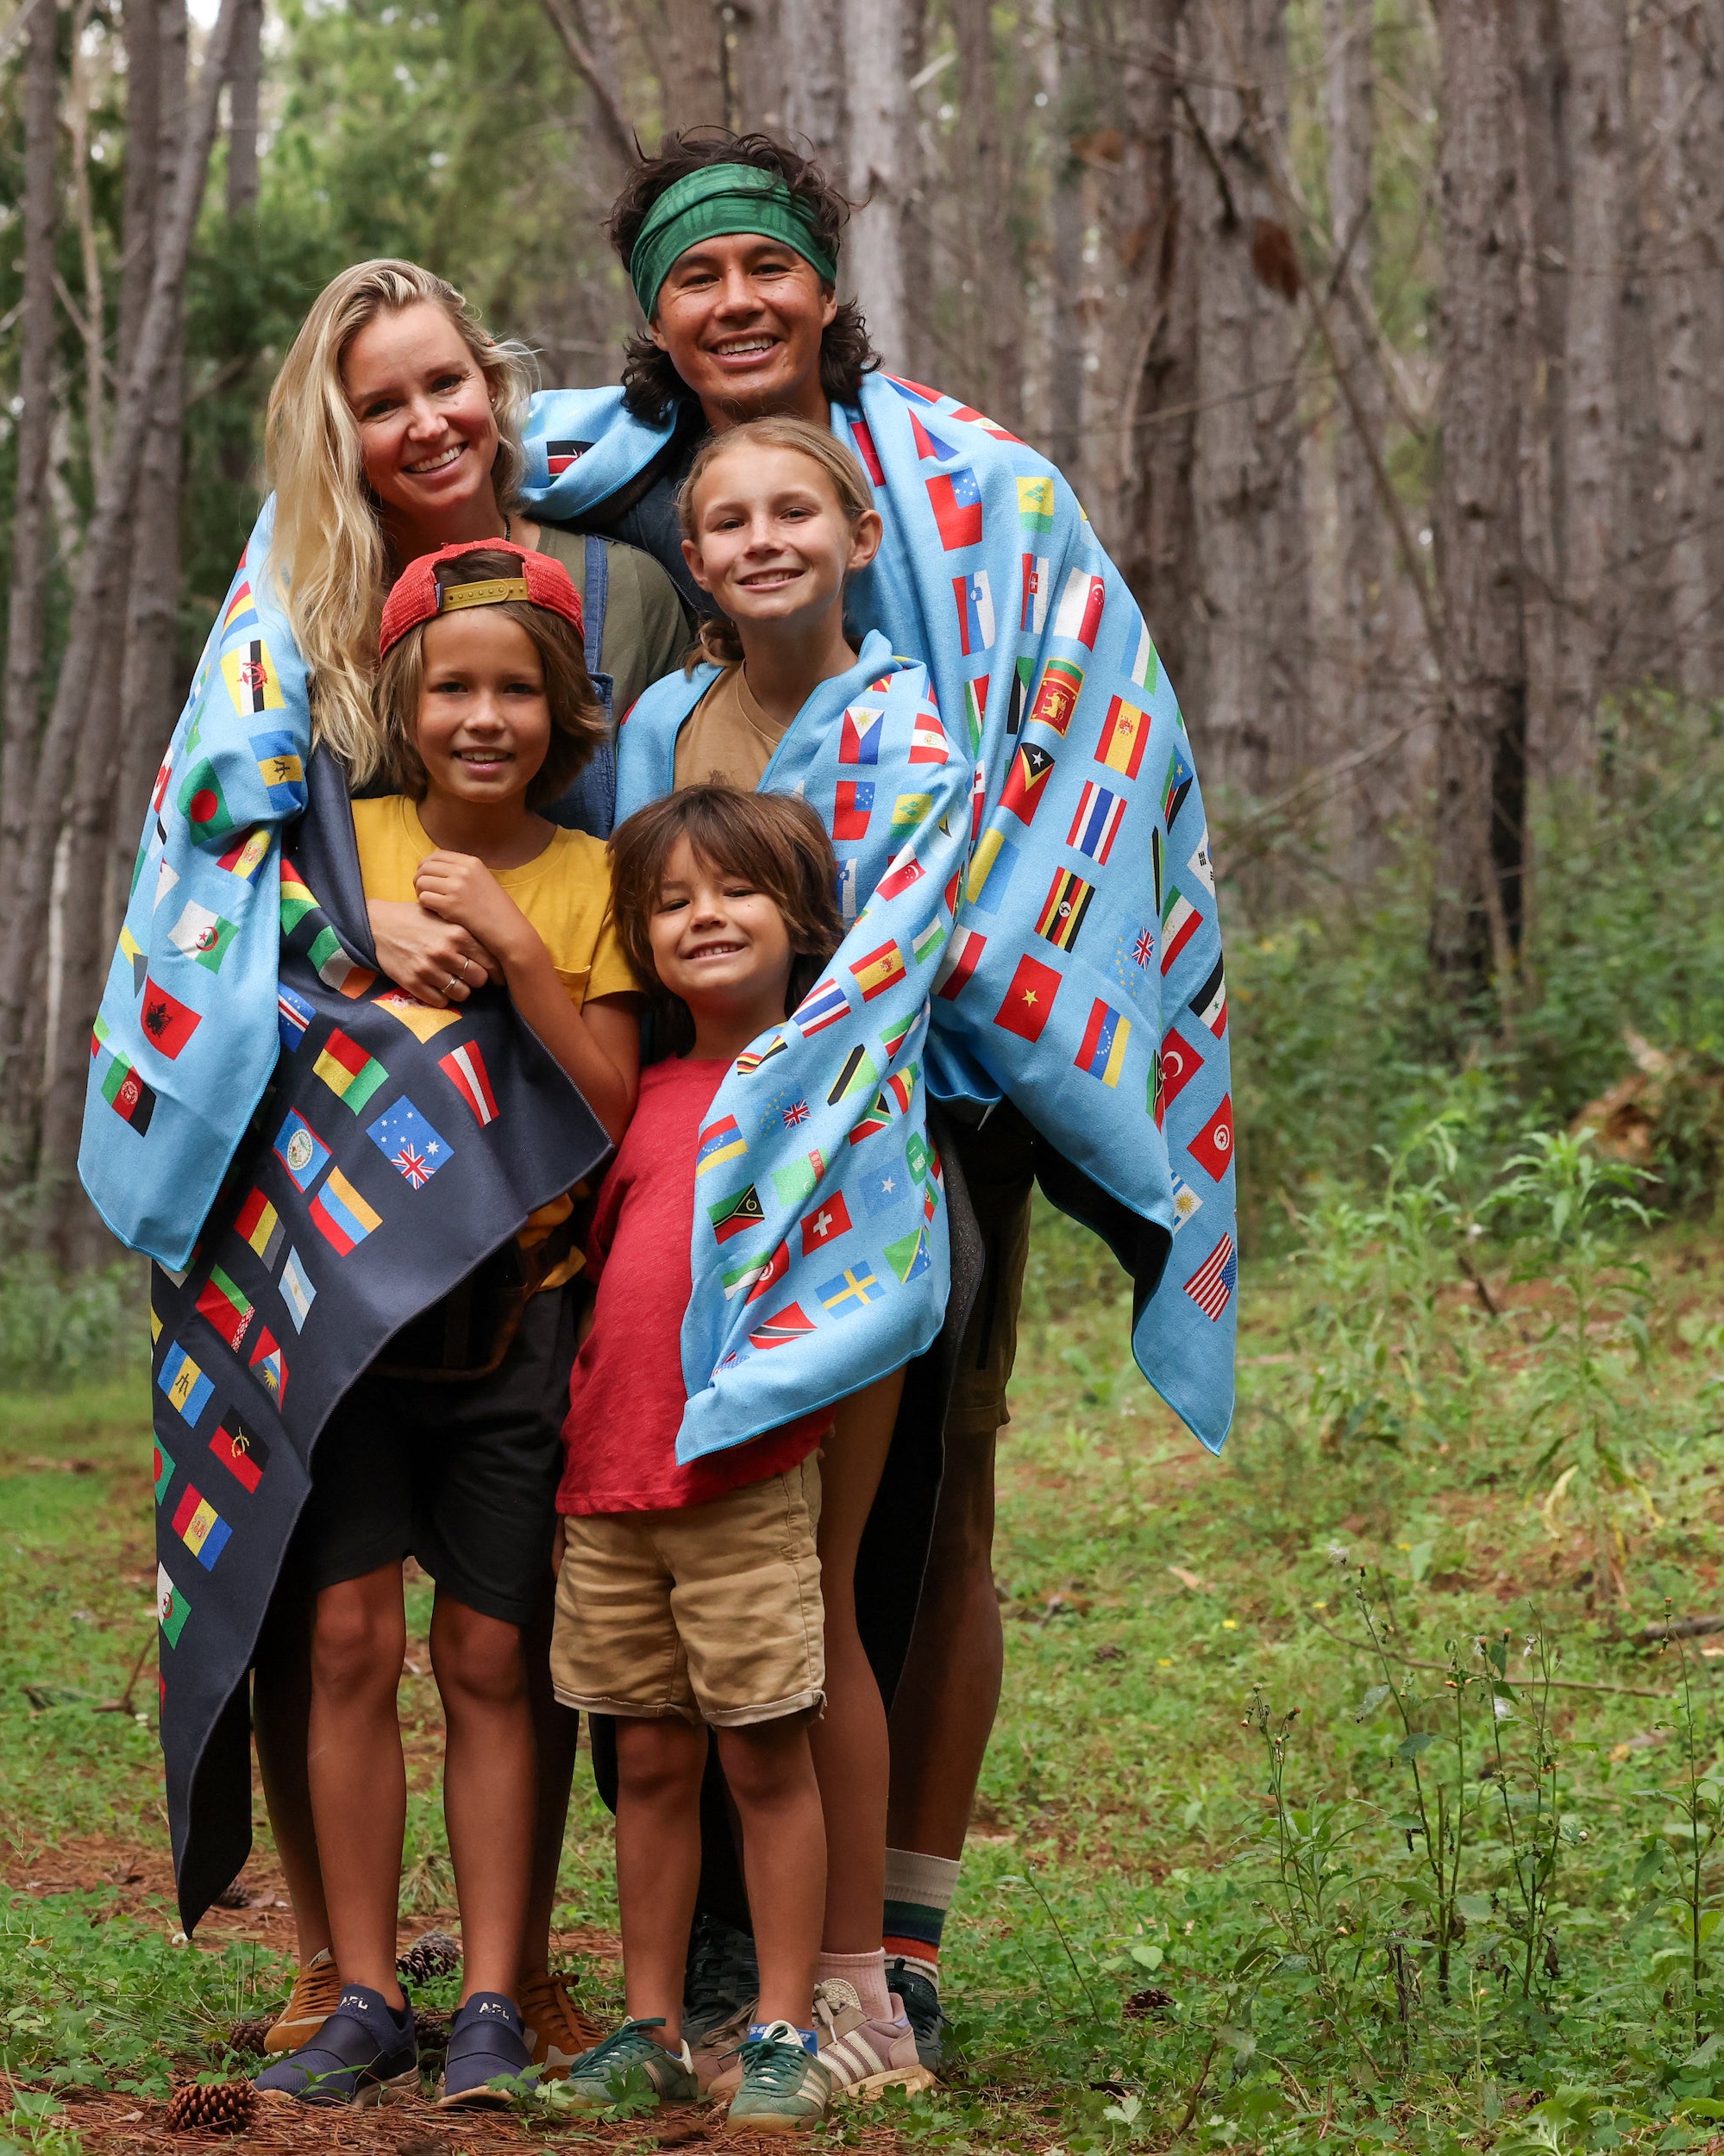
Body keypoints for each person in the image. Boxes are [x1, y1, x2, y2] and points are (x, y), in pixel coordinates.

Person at [516, 130, 1239, 2069]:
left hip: (946, 1071)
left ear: (826, 284)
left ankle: (885, 1943)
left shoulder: (977, 488)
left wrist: (986, 992)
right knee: (716, 1506)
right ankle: (735, 1958)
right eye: (693, 278)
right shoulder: (644, 516)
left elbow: (1092, 737)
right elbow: (416, 462)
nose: (735, 301)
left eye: (767, 264)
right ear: (654, 324)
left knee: (927, 1509)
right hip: (701, 1112)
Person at [240, 259, 689, 2077]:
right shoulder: (330, 835)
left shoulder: (582, 880)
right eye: (452, 695)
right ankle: (356, 1982)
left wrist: (507, 936)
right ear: (398, 707)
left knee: (496, 1659)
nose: (484, 720)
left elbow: (602, 1080)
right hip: (348, 1305)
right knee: (343, 1633)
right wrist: (342, 955)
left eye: (519, 693)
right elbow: (244, 975)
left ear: (566, 712)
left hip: (525, 1313)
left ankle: (496, 1986)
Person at [615, 416, 935, 2098]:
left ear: (855, 528)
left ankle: (856, 1989)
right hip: (682, 1191)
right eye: (721, 517)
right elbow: (640, 912)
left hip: (850, 1195)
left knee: (823, 1591)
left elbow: (904, 949)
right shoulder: (665, 721)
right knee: (682, 1610)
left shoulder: (901, 725)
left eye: (790, 507)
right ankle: (693, 1996)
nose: (755, 536)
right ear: (692, 556)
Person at [539, 787, 850, 2134]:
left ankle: (784, 2027)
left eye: (734, 893)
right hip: (608, 1486)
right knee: (648, 1765)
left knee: (766, 1760)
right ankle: (650, 2024)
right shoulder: (638, 1096)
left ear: (800, 922)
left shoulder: (825, 1083)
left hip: (742, 1479)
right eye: (670, 902)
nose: (703, 918)